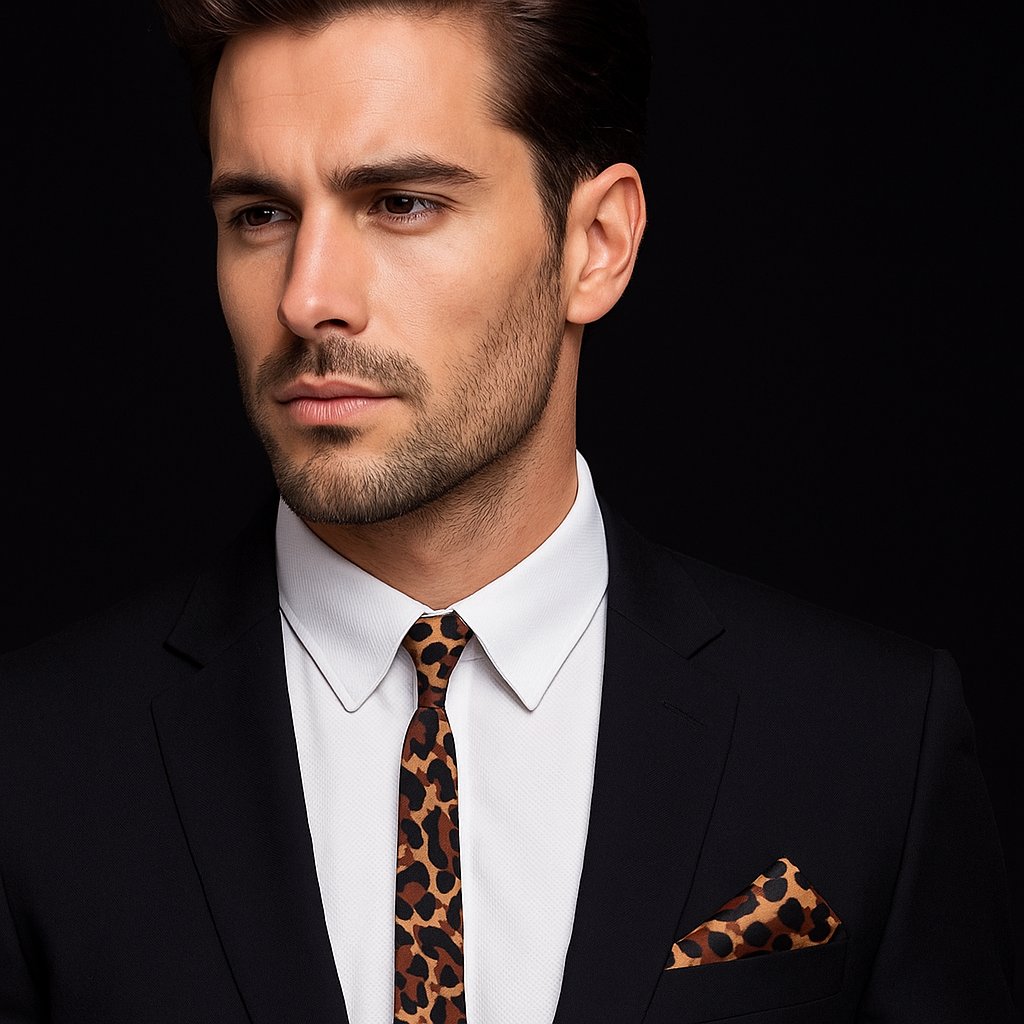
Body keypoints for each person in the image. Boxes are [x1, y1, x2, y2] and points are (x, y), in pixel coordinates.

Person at [0, 1, 1015, 1021]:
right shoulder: (33, 765)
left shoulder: (870, 744)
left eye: (400, 203)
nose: (308, 298)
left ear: (595, 245)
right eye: (259, 214)